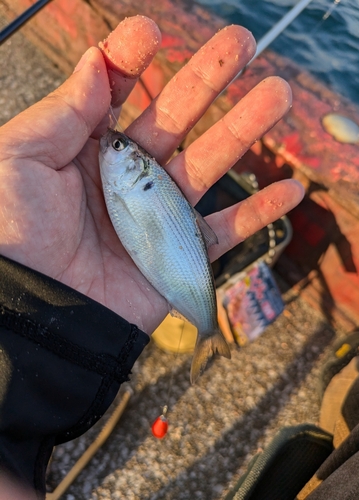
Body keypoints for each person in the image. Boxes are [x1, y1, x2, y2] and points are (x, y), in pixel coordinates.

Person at [0, 15, 305, 499]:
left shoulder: (130, 176)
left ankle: (209, 334)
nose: (109, 145)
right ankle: (209, 335)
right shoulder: (124, 178)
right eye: (116, 143)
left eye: (117, 146)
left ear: (135, 167)